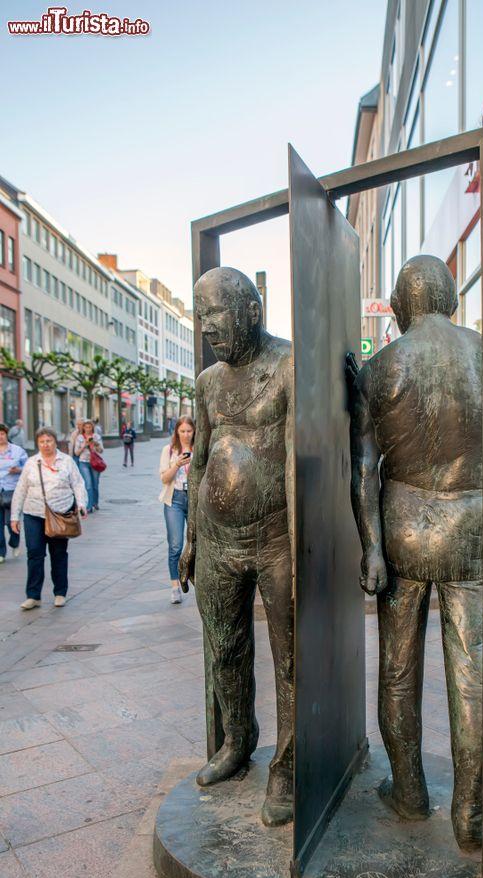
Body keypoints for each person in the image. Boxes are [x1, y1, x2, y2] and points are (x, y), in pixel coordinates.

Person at [348, 255, 483, 851]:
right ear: (450, 297)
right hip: (471, 526)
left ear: (400, 306)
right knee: (473, 675)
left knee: (399, 671)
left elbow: (363, 470)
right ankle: (471, 812)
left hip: (404, 529)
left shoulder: (381, 368)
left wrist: (373, 548)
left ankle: (408, 791)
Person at [179, 267, 293, 828]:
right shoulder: (207, 383)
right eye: (200, 317)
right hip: (218, 537)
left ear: (251, 310)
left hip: (278, 537)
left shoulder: (291, 364)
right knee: (224, 647)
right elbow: (200, 459)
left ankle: (289, 767)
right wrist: (190, 539)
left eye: (215, 314)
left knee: (289, 657)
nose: (206, 328)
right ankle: (237, 740)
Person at [10, 426, 87, 609]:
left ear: (55, 441)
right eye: (42, 442)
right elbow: (21, 489)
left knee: (58, 554)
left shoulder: (66, 461)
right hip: (33, 514)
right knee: (35, 554)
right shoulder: (31, 462)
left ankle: (60, 592)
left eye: (49, 441)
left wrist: (82, 504)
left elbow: (78, 484)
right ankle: (33, 595)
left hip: (60, 513)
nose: (46, 445)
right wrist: (15, 516)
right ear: (38, 443)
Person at [159, 415, 195, 605]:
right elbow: (164, 478)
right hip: (175, 500)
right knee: (175, 545)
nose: (186, 435)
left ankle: (198, 580)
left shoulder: (199, 448)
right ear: (177, 432)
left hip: (195, 500)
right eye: (182, 431)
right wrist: (177, 464)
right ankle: (175, 586)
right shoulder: (169, 450)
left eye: (189, 431)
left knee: (199, 543)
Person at [0, 422, 27, 563]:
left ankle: (15, 542)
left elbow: (28, 468)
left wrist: (18, 470)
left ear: (6, 434)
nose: (0, 437)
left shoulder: (17, 451)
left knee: (12, 522)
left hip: (12, 491)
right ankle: (1, 553)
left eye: (2, 434)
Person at [75, 419, 104, 512]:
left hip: (95, 463)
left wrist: (95, 444)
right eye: (86, 427)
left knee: (95, 485)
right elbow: (76, 452)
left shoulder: (96, 436)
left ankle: (95, 502)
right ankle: (89, 506)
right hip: (84, 462)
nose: (88, 429)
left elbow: (101, 451)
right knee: (88, 485)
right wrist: (84, 445)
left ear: (92, 427)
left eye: (89, 427)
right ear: (83, 428)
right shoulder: (79, 437)